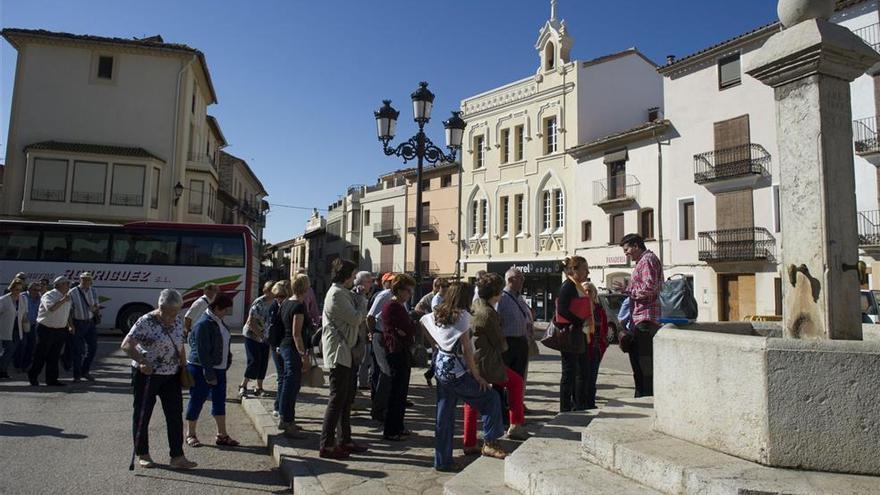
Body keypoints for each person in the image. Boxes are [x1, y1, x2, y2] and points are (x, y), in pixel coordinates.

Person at [421, 282, 507, 472]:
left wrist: (436, 345)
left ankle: (442, 461)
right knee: (490, 397)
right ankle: (490, 442)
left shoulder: (438, 312)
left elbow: (422, 321)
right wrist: (477, 376)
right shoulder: (463, 316)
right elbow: (468, 350)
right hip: (455, 371)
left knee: (444, 416)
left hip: (441, 367)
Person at [121, 289, 197, 470]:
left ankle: (177, 456)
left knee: (174, 414)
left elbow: (179, 344)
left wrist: (183, 366)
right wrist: (141, 361)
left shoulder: (178, 319)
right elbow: (126, 345)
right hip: (147, 375)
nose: (172, 317)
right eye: (168, 313)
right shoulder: (146, 321)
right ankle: (143, 453)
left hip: (171, 375)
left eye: (175, 313)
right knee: (142, 414)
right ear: (160, 307)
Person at [466, 272, 530, 449]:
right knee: (516, 382)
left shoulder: (475, 306)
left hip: (474, 360)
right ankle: (515, 425)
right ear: (495, 292)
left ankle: (469, 441)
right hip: (487, 362)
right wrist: (504, 346)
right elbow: (499, 342)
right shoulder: (488, 313)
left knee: (470, 401)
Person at [319, 259, 369, 459]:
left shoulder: (343, 293)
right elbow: (357, 318)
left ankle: (344, 440)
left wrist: (358, 298)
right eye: (353, 275)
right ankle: (327, 445)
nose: (354, 279)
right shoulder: (337, 294)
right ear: (347, 277)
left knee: (346, 399)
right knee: (337, 399)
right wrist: (363, 300)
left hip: (345, 352)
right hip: (339, 352)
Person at [185, 293, 239, 448]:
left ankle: (222, 435)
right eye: (225, 309)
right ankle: (190, 434)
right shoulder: (203, 324)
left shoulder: (218, 321)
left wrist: (227, 360)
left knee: (219, 402)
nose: (227, 313)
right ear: (216, 308)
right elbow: (202, 352)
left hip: (218, 369)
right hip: (202, 369)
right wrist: (209, 374)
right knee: (197, 400)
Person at [615, 233, 663, 397]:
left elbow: (650, 289)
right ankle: (641, 395)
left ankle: (645, 397)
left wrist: (626, 290)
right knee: (638, 365)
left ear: (636, 246)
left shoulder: (647, 260)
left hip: (645, 319)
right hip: (640, 319)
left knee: (644, 365)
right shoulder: (643, 261)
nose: (626, 253)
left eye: (627, 249)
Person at [380, 273, 418, 441]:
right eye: (409, 291)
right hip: (396, 351)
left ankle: (399, 426)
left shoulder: (399, 306)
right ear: (401, 290)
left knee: (402, 392)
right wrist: (408, 328)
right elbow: (407, 328)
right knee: (397, 392)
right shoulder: (393, 306)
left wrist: (407, 329)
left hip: (401, 349)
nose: (410, 294)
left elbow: (407, 329)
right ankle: (391, 430)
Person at [556, 256, 594, 412]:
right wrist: (579, 320)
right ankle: (565, 407)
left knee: (582, 371)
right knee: (569, 372)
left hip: (580, 333)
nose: (588, 272)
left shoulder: (577, 285)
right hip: (571, 333)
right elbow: (562, 309)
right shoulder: (568, 286)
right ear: (575, 269)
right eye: (585, 269)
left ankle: (579, 403)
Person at [277, 274, 312, 437]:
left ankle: (288, 419)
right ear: (306, 287)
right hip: (292, 348)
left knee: (287, 383)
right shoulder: (298, 306)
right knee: (291, 385)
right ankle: (286, 421)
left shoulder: (285, 303)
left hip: (284, 346)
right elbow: (296, 333)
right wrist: (303, 354)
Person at [28, 276, 73, 387]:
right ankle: (33, 375)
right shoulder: (49, 295)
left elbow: (66, 313)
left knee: (54, 356)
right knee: (41, 355)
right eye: (67, 284)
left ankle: (52, 380)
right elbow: (51, 309)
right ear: (60, 285)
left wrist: (70, 325)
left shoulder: (66, 296)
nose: (69, 286)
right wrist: (63, 300)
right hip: (46, 329)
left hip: (60, 330)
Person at [496, 267, 533, 398]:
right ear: (511, 280)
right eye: (520, 278)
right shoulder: (502, 298)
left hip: (521, 341)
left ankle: (516, 404)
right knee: (504, 378)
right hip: (508, 342)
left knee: (519, 377)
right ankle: (503, 407)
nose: (523, 281)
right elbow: (496, 321)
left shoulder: (519, 297)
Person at [367, 272, 395, 422]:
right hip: (380, 335)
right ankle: (378, 409)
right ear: (385, 283)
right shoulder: (384, 295)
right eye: (390, 281)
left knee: (384, 372)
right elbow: (370, 316)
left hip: (388, 337)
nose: (393, 283)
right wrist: (372, 333)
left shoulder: (396, 296)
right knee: (384, 372)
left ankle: (382, 406)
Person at [239, 281, 275, 398]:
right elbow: (251, 322)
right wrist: (261, 336)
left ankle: (259, 387)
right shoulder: (260, 302)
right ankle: (243, 385)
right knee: (254, 360)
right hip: (252, 335)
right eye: (271, 290)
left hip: (266, 337)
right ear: (267, 291)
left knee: (263, 362)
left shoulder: (275, 303)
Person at [68, 272, 100, 382]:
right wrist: (71, 325)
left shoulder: (93, 290)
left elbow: (96, 305)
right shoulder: (72, 292)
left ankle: (85, 371)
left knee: (93, 348)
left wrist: (95, 308)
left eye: (88, 280)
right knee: (78, 350)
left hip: (90, 322)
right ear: (80, 280)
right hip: (78, 323)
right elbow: (69, 311)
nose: (86, 282)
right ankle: (77, 375)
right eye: (84, 279)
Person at [584, 283, 609, 409]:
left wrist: (602, 346)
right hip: (582, 349)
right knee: (582, 377)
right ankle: (580, 402)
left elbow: (604, 330)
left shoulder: (599, 310)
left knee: (592, 378)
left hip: (595, 349)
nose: (588, 293)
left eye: (590, 291)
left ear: (594, 293)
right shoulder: (580, 308)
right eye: (585, 291)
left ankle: (590, 403)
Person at [268, 281, 291, 417]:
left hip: (282, 344)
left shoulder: (285, 305)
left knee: (284, 377)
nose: (278, 299)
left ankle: (280, 406)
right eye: (276, 296)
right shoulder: (274, 307)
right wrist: (276, 345)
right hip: (277, 345)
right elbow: (273, 330)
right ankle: (278, 407)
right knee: (282, 377)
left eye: (281, 296)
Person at [617, 297, 646, 397]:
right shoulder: (654, 298)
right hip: (646, 337)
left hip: (635, 336)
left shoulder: (630, 300)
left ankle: (639, 394)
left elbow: (621, 320)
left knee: (638, 370)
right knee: (644, 370)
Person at [0, 279, 28, 379]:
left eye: (20, 290)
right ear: (11, 289)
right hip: (6, 328)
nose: (18, 292)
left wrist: (26, 324)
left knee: (11, 351)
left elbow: (24, 313)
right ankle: (2, 371)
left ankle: (3, 370)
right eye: (16, 289)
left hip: (18, 329)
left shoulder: (23, 299)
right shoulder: (3, 300)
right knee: (8, 350)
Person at [352, 271, 374, 393]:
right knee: (359, 362)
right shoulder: (356, 294)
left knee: (365, 359)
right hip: (357, 334)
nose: (371, 284)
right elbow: (361, 315)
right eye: (369, 281)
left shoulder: (364, 294)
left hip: (363, 333)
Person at [13, 282, 41, 371]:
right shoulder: (22, 297)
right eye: (34, 290)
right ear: (29, 289)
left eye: (38, 290)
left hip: (32, 325)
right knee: (22, 345)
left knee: (31, 346)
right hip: (20, 324)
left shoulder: (40, 298)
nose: (37, 292)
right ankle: (18, 365)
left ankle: (25, 365)